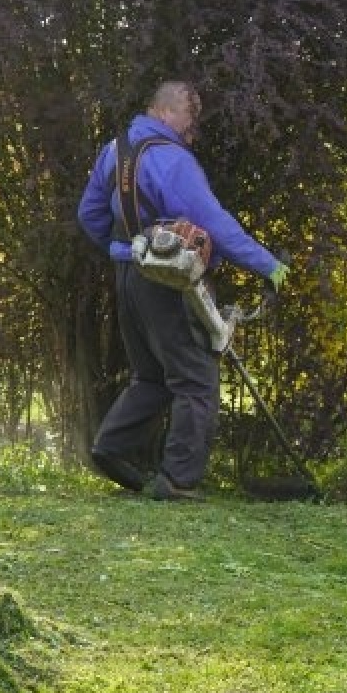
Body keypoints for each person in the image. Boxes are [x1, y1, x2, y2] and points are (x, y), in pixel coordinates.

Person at [77, 81, 288, 501]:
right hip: (168, 281)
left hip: (128, 277)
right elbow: (216, 223)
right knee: (196, 379)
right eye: (190, 120)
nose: (192, 132)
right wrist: (270, 265)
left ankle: (111, 448)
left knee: (151, 375)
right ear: (166, 112)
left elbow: (90, 213)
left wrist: (124, 250)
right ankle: (177, 480)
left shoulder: (114, 152)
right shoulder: (171, 160)